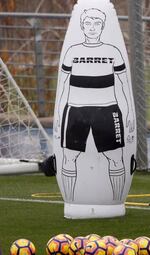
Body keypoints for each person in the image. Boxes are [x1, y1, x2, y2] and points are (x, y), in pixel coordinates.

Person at [54, 8, 134, 201]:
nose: (92, 28)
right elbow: (63, 84)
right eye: (88, 23)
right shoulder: (73, 52)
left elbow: (123, 85)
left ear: (103, 26)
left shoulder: (113, 52)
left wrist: (129, 112)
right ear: (82, 26)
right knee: (69, 157)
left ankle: (115, 203)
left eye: (97, 23)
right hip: (75, 110)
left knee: (115, 157)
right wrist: (59, 113)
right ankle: (72, 202)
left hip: (107, 110)